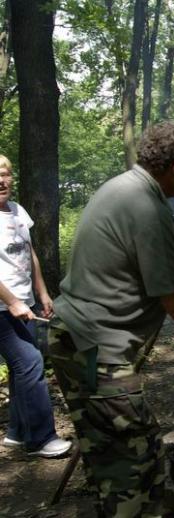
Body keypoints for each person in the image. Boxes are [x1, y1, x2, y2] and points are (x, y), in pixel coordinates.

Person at [49, 122, 174, 517]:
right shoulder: (150, 209)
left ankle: (112, 507)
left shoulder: (121, 186)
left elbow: (145, 279)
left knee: (105, 443)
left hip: (73, 341)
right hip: (98, 353)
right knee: (136, 458)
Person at [0, 155, 71, 458]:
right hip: (3, 309)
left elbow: (30, 255)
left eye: (5, 174)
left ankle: (17, 431)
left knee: (20, 370)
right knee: (30, 363)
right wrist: (12, 301)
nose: (1, 181)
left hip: (24, 304)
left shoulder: (17, 211)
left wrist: (42, 293)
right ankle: (41, 438)